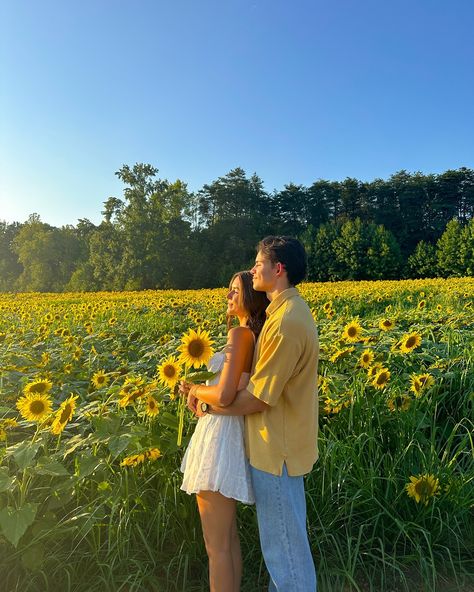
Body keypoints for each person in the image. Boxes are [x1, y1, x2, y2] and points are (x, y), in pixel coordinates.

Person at [188, 236, 319, 592]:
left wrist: (201, 397)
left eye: (259, 263)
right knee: (282, 552)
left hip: (277, 451)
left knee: (286, 558)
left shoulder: (286, 321)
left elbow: (258, 398)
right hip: (276, 447)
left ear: (278, 269)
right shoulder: (282, 316)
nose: (254, 269)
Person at [179, 270, 269, 592]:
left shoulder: (240, 335)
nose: (227, 296)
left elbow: (225, 394)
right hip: (229, 434)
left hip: (218, 439)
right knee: (228, 542)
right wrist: (204, 396)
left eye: (234, 291)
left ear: (249, 297)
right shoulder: (253, 335)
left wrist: (195, 390)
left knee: (216, 548)